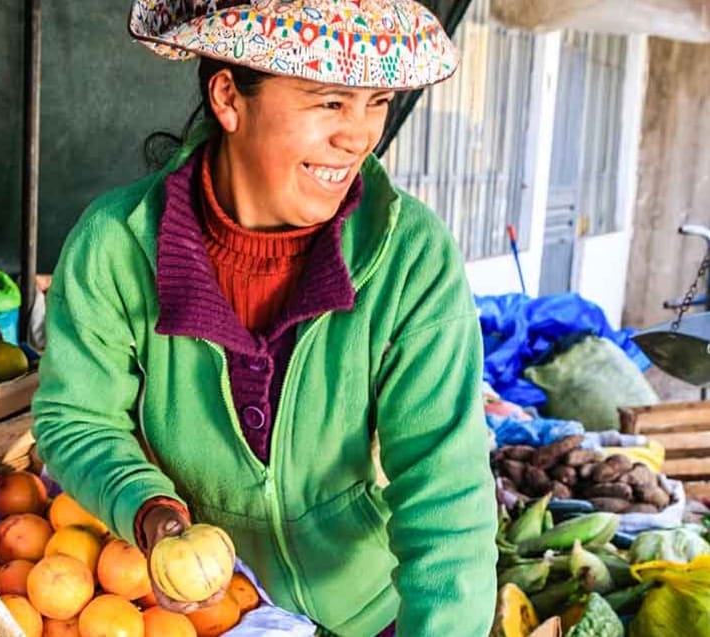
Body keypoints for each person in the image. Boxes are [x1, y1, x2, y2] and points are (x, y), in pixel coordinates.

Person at [32, 1, 498, 635]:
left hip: (370, 613)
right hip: (213, 619)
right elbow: (77, 416)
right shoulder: (116, 244)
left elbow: (446, 495)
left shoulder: (410, 256)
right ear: (228, 97)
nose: (360, 135)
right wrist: (143, 504)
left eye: (378, 101)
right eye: (331, 102)